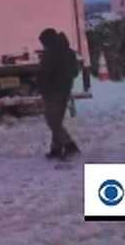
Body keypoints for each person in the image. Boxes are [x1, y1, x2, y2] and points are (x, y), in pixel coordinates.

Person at [37, 28, 80, 160]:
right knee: (56, 121)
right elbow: (75, 72)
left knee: (53, 122)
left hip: (53, 92)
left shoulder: (51, 54)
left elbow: (45, 73)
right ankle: (56, 148)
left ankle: (69, 145)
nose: (43, 45)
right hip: (64, 90)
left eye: (44, 42)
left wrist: (43, 84)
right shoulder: (68, 52)